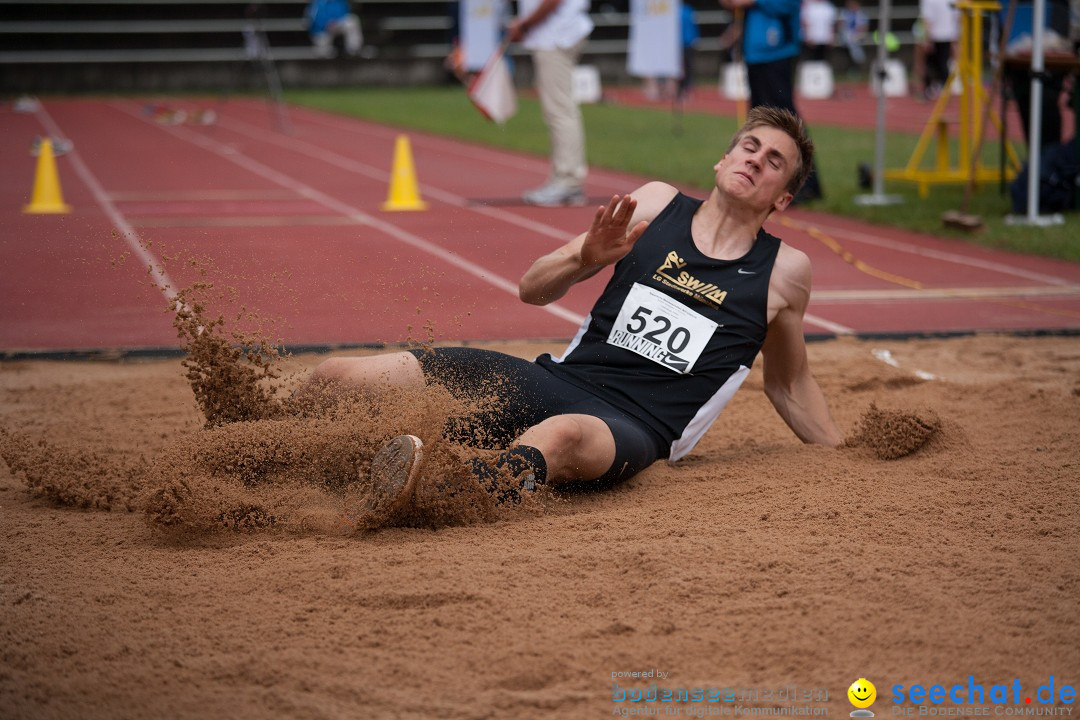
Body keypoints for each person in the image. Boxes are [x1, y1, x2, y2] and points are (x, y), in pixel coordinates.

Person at [310, 106, 844, 525]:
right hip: (557, 379)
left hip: (633, 425)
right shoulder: (656, 205)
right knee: (336, 376)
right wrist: (582, 259)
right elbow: (531, 288)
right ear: (722, 161)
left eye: (774, 161)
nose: (755, 159)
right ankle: (251, 447)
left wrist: (849, 456)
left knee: (558, 436)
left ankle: (432, 490)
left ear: (785, 199)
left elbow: (789, 384)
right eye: (748, 147)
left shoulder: (784, 273)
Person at [721, 0, 825, 202]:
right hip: (754, 53)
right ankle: (764, 181)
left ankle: (807, 183)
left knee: (786, 120)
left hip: (777, 51)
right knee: (760, 121)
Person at [507, 0, 594, 207]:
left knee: (560, 111)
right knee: (559, 110)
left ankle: (568, 181)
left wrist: (525, 24)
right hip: (555, 34)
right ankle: (564, 179)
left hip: (556, 35)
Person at [918, 0, 958, 99]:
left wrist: (927, 38)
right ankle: (943, 89)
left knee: (931, 64)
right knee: (943, 64)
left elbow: (927, 19)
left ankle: (932, 89)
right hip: (947, 35)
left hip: (937, 35)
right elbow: (957, 18)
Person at [837, 0, 869, 70]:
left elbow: (864, 27)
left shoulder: (861, 14)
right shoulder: (844, 13)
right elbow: (840, 25)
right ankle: (858, 60)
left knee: (853, 42)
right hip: (846, 36)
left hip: (858, 36)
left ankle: (859, 61)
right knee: (849, 39)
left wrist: (858, 33)